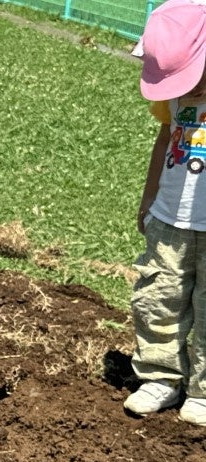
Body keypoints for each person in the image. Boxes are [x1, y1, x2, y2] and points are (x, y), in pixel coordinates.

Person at [126, 0, 206, 425]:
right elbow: (163, 141)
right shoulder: (174, 101)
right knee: (159, 299)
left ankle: (203, 392)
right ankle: (159, 377)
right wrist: (148, 198)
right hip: (169, 218)